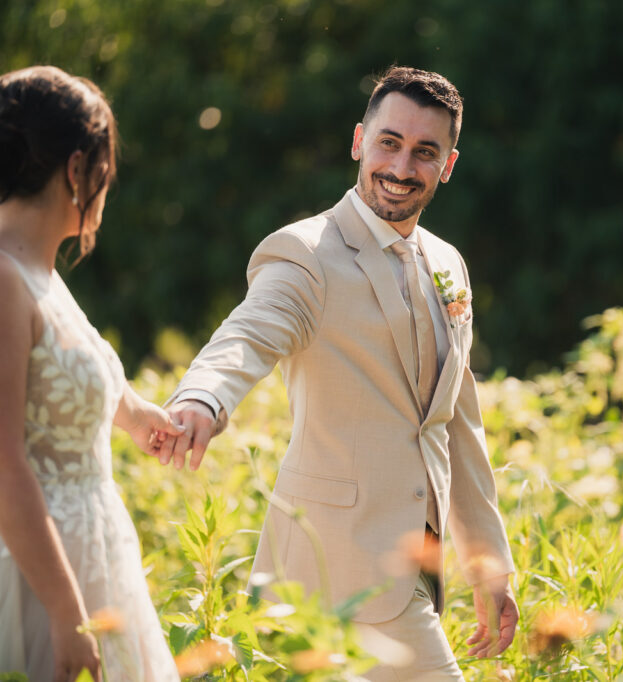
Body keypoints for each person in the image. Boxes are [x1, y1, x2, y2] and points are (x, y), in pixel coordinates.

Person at [159, 66, 518, 679]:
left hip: (412, 570)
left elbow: (455, 423)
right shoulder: (306, 253)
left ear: (448, 164)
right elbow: (251, 330)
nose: (402, 168)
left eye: (424, 152)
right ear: (358, 141)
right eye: (389, 143)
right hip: (327, 570)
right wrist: (203, 398)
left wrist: (486, 565)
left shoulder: (448, 264)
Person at [0, 66, 181, 682]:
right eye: (104, 168)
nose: (106, 185)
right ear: (76, 169)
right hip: (21, 576)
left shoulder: (38, 271)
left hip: (88, 557)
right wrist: (69, 615)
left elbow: (71, 370)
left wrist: (138, 415)